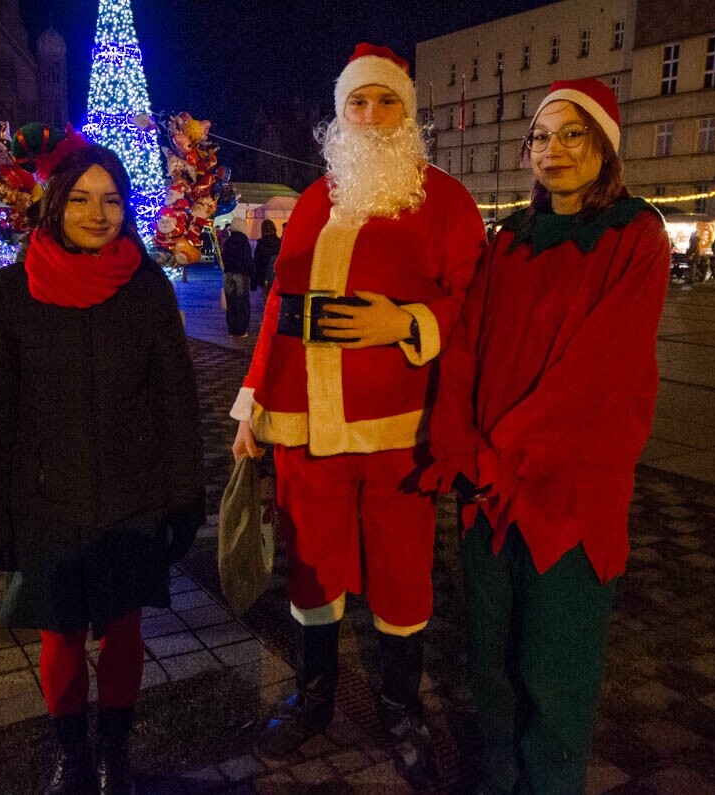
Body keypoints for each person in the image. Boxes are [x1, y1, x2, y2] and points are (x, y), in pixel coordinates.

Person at [229, 43, 485, 786]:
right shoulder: (315, 199)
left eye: (387, 102)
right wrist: (250, 403)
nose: (371, 116)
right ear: (339, 116)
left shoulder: (444, 200)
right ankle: (313, 694)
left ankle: (399, 705)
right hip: (306, 427)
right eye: (357, 104)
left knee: (402, 572)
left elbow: (472, 300)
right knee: (310, 568)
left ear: (408, 113)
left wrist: (405, 322)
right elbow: (279, 304)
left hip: (396, 432)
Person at [429, 78, 670, 792]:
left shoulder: (636, 235)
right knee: (490, 659)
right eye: (542, 135)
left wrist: (505, 451)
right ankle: (496, 777)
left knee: (555, 667)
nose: (554, 150)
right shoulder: (509, 239)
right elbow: (466, 344)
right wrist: (457, 443)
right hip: (488, 487)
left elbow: (602, 368)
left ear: (604, 146)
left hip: (567, 494)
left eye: (573, 134)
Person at [0, 145, 205, 795]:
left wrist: (185, 496)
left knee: (124, 634)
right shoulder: (10, 291)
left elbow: (175, 399)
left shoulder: (145, 284)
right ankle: (73, 754)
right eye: (81, 198)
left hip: (132, 498)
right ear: (54, 204)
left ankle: (115, 752)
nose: (98, 214)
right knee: (61, 638)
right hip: (47, 500)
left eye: (112, 199)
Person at [220, 217, 253, 337]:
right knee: (242, 302)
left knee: (231, 302)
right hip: (240, 273)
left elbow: (223, 257)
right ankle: (241, 329)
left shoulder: (228, 241)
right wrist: (251, 274)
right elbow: (247, 259)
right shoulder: (243, 241)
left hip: (228, 274)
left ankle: (232, 328)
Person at [252, 218, 281, 290]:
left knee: (266, 298)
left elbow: (257, 262)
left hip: (264, 277)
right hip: (278, 277)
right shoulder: (280, 243)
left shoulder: (260, 244)